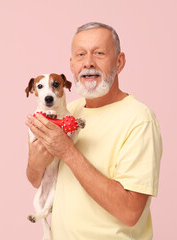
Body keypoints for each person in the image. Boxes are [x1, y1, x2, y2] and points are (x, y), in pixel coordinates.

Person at [25, 22, 162, 240]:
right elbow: (35, 180)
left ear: (119, 62)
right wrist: (35, 158)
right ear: (72, 65)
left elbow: (130, 212)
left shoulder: (139, 120)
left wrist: (68, 152)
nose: (88, 62)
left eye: (99, 53)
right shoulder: (69, 112)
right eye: (80, 54)